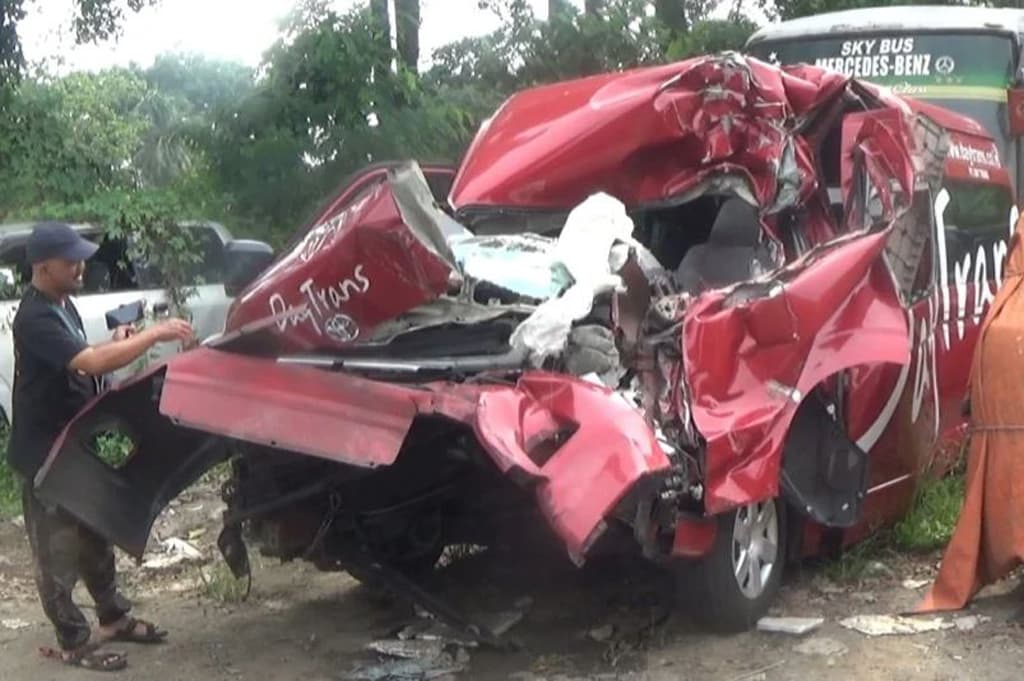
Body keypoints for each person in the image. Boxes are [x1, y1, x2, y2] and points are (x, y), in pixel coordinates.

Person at [6, 222, 194, 672]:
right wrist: (155, 335)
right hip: (44, 455)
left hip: (72, 441)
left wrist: (113, 346)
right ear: (42, 266)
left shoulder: (60, 304)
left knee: (94, 533)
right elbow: (85, 362)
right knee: (57, 554)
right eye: (71, 260)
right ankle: (74, 642)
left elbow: (79, 358)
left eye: (80, 256)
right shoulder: (34, 315)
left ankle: (112, 618)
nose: (80, 265)